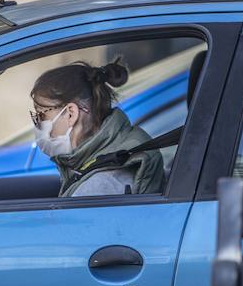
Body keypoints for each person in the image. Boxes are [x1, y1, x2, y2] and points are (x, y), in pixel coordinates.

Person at [29, 59, 165, 197]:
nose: (38, 123)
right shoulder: (104, 158)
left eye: (42, 114)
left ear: (70, 114)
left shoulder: (97, 188)